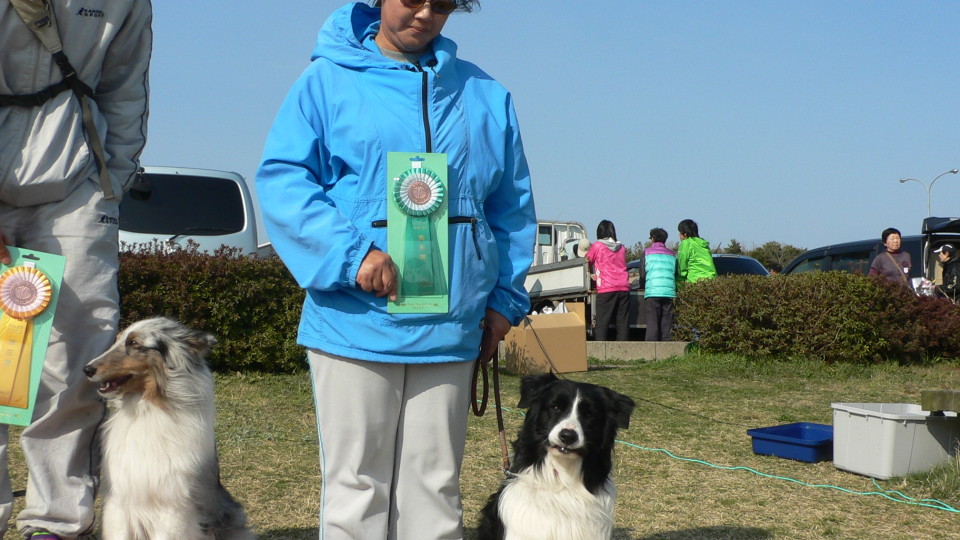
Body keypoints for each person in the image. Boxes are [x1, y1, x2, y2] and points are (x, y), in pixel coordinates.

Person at [254, 1, 536, 538]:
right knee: (356, 490)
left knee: (435, 490)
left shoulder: (487, 94)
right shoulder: (324, 82)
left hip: (453, 327)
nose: (426, 14)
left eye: (443, 3)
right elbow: (285, 181)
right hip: (353, 321)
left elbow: (512, 207)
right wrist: (353, 255)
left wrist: (504, 302)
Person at [0, 2, 152, 538]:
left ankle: (58, 521)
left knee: (79, 360)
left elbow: (125, 86)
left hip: (78, 187)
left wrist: (112, 180)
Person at [586, 220, 630, 341]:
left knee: (602, 322)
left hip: (606, 288)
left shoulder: (597, 246)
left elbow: (586, 261)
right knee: (622, 322)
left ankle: (601, 348)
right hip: (624, 287)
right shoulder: (621, 247)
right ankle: (624, 348)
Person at [643, 228, 677, 341]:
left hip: (652, 291)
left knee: (652, 322)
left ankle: (650, 348)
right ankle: (667, 348)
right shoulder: (672, 254)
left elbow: (642, 275)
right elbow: (676, 273)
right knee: (667, 324)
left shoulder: (646, 253)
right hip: (669, 292)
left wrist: (644, 285)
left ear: (652, 238)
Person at [676, 219, 717, 284]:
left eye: (680, 232)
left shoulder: (686, 243)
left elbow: (682, 268)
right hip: (712, 280)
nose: (679, 235)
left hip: (696, 281)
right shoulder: (703, 244)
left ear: (685, 234)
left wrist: (679, 282)